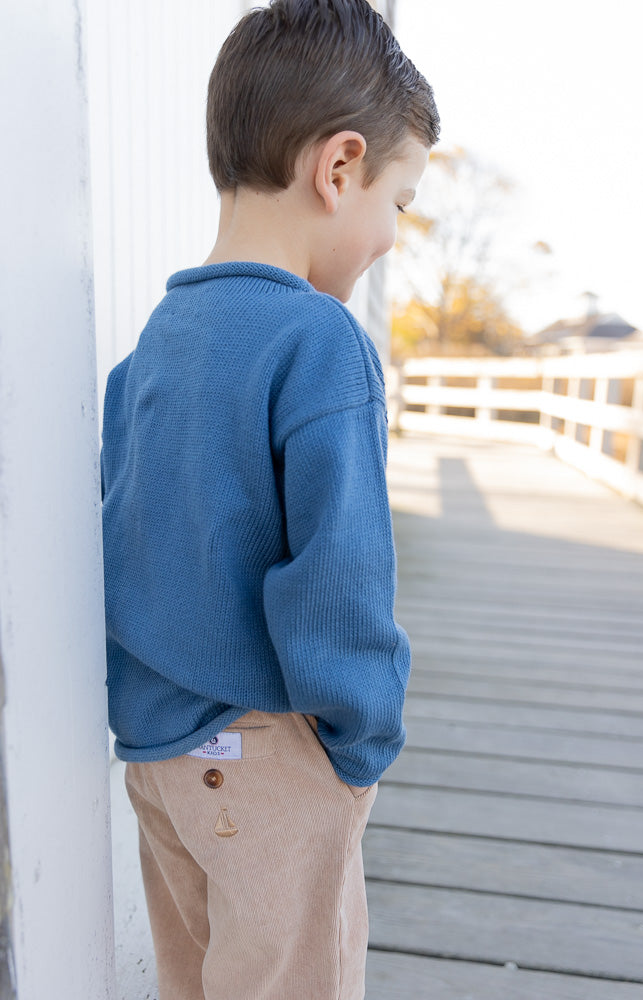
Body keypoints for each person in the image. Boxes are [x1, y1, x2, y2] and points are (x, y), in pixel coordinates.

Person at [101, 2, 439, 997]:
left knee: (194, 981)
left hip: (159, 756)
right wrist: (362, 743)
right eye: (400, 203)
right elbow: (338, 574)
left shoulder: (150, 346)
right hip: (269, 757)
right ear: (338, 170)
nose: (390, 238)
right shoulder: (319, 342)